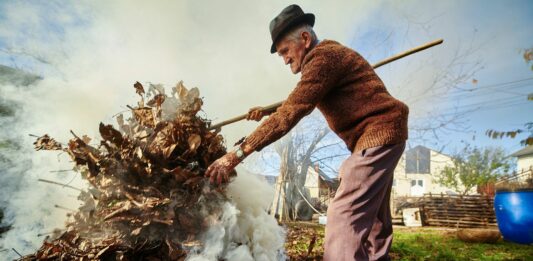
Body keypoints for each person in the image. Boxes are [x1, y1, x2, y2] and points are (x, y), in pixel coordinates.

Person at [206, 4, 408, 260]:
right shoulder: (327, 58)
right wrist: (267, 111)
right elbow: (296, 100)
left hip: (378, 135)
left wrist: (235, 154)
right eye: (280, 55)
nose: (285, 59)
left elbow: (293, 110)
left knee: (343, 214)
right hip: (387, 135)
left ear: (305, 38)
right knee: (374, 220)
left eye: (285, 51)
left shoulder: (323, 58)